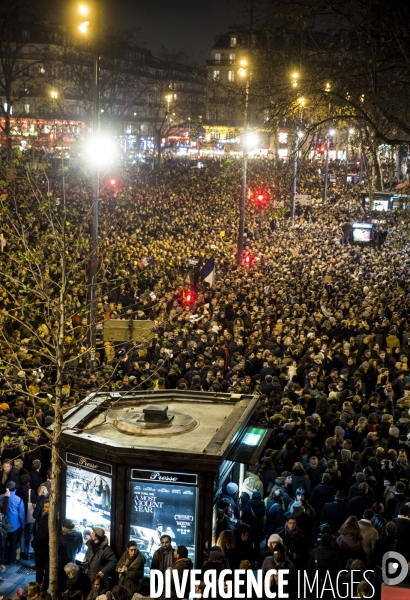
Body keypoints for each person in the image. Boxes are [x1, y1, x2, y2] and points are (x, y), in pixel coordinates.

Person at [0, 481, 25, 564]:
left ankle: (3, 559)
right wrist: (23, 523)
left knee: (3, 543)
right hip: (15, 525)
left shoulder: (1, 497)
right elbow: (21, 514)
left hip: (3, 525)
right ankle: (11, 559)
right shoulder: (19, 499)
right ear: (15, 489)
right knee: (13, 543)